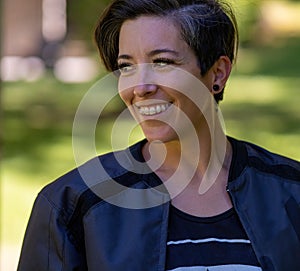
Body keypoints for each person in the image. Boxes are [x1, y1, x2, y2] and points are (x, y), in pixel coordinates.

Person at [18, 0, 300, 270]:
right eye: (127, 66)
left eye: (162, 62)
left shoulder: (292, 192)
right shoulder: (71, 206)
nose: (140, 87)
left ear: (217, 74)